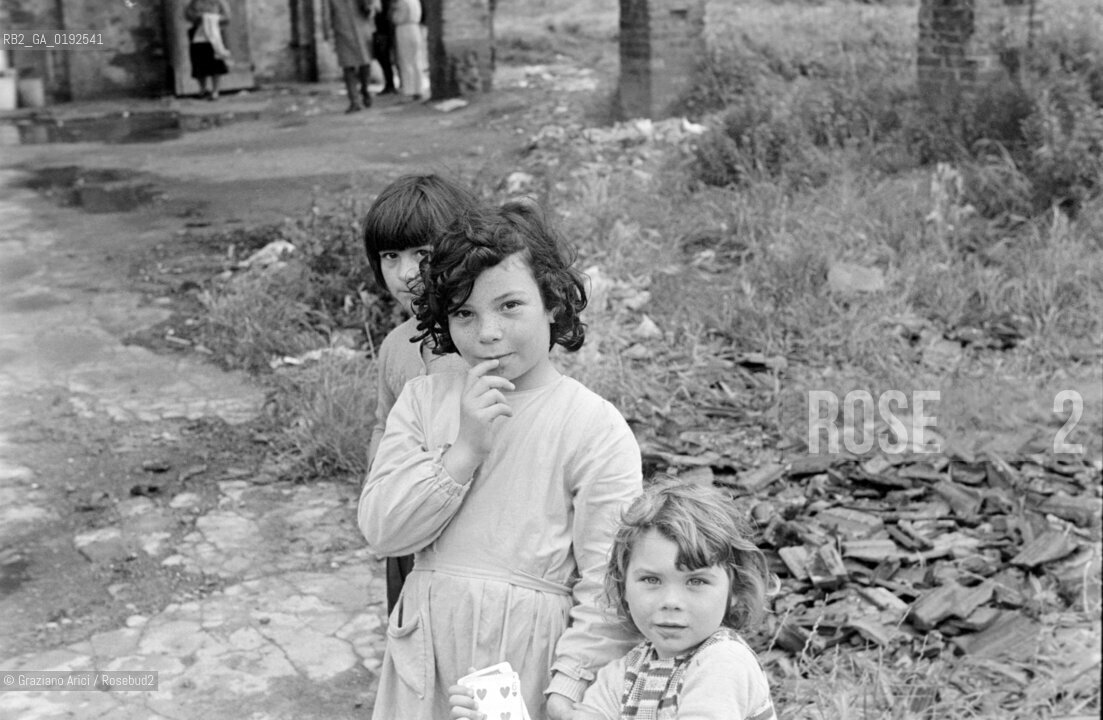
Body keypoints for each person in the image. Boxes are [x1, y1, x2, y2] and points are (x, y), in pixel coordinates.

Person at [359, 201, 643, 720]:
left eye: (509, 305)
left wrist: (569, 687)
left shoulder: (595, 428)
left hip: (529, 668)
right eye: (464, 313)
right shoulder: (423, 401)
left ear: (553, 304)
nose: (487, 332)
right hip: (427, 658)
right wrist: (463, 451)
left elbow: (608, 581)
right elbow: (383, 531)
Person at [560, 480, 778, 720]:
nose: (671, 601)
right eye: (652, 580)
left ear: (735, 589)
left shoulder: (723, 662)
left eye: (696, 582)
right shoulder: (625, 672)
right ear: (623, 586)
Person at [362, 173, 477, 614]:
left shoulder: (485, 339)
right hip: (409, 531)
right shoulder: (395, 345)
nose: (406, 273)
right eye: (391, 256)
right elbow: (382, 421)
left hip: (473, 535)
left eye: (423, 254)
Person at [328, 0, 377, 112]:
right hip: (343, 32)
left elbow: (370, 9)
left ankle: (365, 90)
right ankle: (354, 101)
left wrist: (368, 7)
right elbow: (328, 14)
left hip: (361, 30)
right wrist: (329, 33)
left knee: (365, 64)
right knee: (348, 67)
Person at [184, 0, 231, 101]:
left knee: (216, 62)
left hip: (215, 34)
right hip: (198, 34)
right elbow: (188, 15)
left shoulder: (219, 2)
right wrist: (200, 17)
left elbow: (227, 17)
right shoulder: (195, 2)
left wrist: (212, 19)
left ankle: (215, 90)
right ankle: (203, 89)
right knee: (199, 61)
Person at [391, 0, 424, 100]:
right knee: (416, 60)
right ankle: (419, 88)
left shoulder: (401, 2)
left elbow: (396, 18)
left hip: (404, 28)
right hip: (415, 28)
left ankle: (409, 90)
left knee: (406, 61)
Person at [373, 0, 398, 95]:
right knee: (384, 60)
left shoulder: (385, 4)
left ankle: (390, 84)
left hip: (383, 34)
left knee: (385, 59)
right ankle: (389, 84)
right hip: (381, 33)